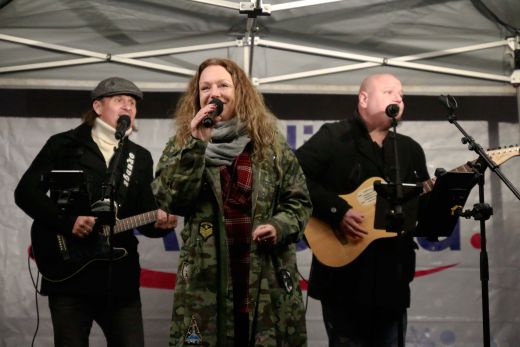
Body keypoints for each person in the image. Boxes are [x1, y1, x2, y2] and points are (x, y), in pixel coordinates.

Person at [151, 58, 312, 346]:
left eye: (223, 85)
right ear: (197, 97)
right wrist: (196, 146)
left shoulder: (270, 144)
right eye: (205, 87)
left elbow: (299, 203)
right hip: (208, 281)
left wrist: (278, 225)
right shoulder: (182, 145)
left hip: (264, 276)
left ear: (240, 92)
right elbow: (170, 199)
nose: (214, 93)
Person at [14, 77, 177, 347]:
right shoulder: (63, 145)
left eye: (133, 103)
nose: (128, 106)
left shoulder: (140, 157)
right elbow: (25, 193)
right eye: (120, 100)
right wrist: (68, 223)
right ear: (98, 106)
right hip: (69, 276)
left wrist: (162, 223)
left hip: (120, 280)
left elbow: (145, 216)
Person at [296, 73, 430, 347]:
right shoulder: (333, 137)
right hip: (343, 277)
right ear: (364, 99)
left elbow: (420, 207)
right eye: (389, 91)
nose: (398, 98)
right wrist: (338, 210)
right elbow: (293, 176)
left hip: (392, 280)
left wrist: (444, 194)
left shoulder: (409, 149)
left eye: (401, 94)